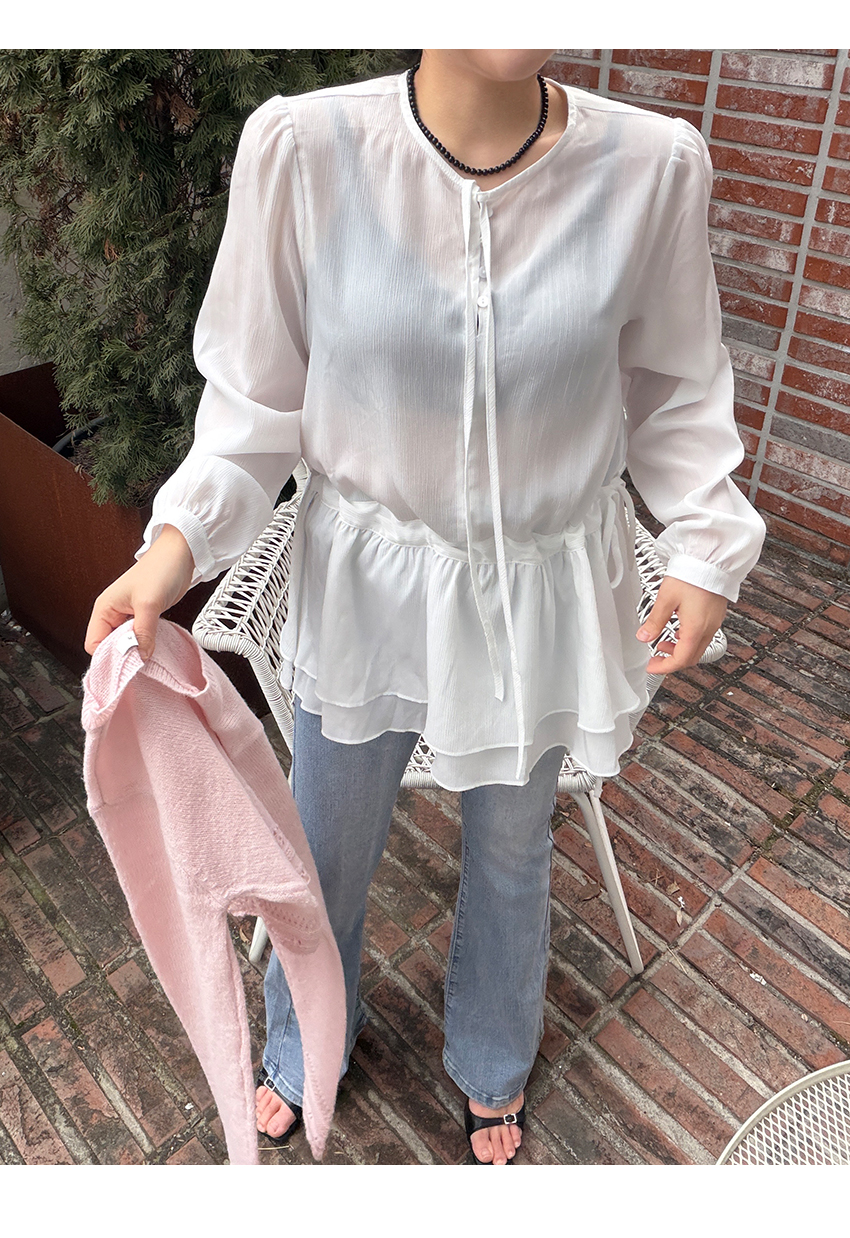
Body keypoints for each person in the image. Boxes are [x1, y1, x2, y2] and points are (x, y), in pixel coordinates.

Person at [85, 49, 766, 1165]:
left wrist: (704, 540)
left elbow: (676, 389)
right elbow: (254, 400)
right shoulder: (306, 150)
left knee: (514, 844)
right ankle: (305, 1037)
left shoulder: (649, 168)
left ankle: (494, 1054)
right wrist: (176, 548)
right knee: (326, 839)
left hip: (538, 598)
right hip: (366, 590)